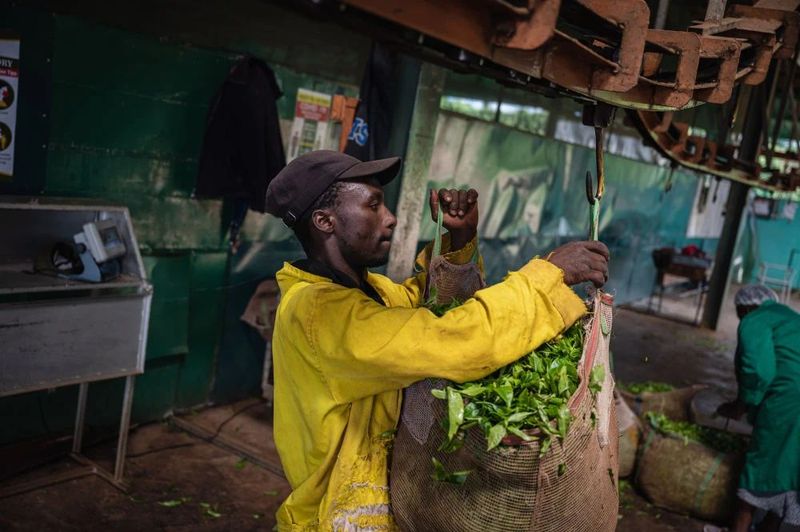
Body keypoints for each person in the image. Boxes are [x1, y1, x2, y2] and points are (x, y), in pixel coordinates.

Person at [264, 150, 610, 531]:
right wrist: (549, 277)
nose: (390, 218)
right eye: (373, 205)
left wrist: (457, 241)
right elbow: (455, 339)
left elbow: (428, 308)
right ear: (325, 221)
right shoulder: (319, 315)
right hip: (337, 520)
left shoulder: (369, 292)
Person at [716, 284, 800, 532]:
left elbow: (758, 370)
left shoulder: (755, 319)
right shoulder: (791, 318)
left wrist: (742, 404)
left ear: (745, 307)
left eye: (739, 312)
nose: (740, 317)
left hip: (787, 401)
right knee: (791, 467)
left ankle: (739, 529)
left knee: (762, 464)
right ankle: (768, 527)